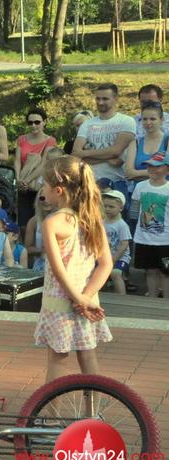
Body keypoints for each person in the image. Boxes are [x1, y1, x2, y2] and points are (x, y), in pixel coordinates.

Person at [35, 156, 112, 385]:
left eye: (44, 184)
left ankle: (51, 408)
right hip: (87, 301)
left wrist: (77, 299)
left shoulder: (52, 223)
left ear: (58, 190)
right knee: (88, 355)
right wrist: (85, 298)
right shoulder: (92, 219)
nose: (42, 190)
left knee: (57, 360)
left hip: (59, 303)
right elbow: (106, 264)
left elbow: (58, 271)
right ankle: (93, 406)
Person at [71, 83, 136, 208]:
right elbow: (76, 153)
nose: (100, 102)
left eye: (105, 99)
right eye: (98, 98)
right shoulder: (87, 124)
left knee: (116, 220)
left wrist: (86, 153)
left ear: (116, 99)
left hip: (117, 183)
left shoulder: (126, 121)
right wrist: (108, 157)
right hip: (91, 182)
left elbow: (116, 151)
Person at [131, 154, 169, 298]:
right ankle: (152, 301)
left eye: (157, 166)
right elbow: (135, 210)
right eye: (150, 165)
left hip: (165, 241)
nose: (152, 168)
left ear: (167, 170)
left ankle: (165, 304)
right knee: (150, 271)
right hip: (144, 239)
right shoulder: (140, 186)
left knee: (166, 273)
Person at [14, 108, 57, 229]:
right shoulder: (22, 139)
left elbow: (44, 163)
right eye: (30, 122)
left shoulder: (50, 140)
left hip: (40, 185)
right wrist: (18, 179)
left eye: (37, 122)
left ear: (44, 122)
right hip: (23, 186)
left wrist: (25, 181)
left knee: (40, 221)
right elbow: (17, 161)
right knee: (23, 223)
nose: (33, 125)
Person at [101, 190, 131, 295]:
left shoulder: (122, 225)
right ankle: (102, 296)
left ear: (121, 208)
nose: (107, 209)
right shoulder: (101, 222)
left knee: (115, 273)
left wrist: (113, 259)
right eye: (105, 206)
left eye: (111, 207)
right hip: (104, 256)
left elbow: (124, 244)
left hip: (120, 258)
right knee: (97, 272)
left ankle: (122, 298)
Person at [26, 189, 54, 272]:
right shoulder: (33, 221)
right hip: (40, 264)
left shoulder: (63, 219)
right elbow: (27, 248)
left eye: (49, 197)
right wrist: (40, 250)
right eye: (42, 198)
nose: (46, 201)